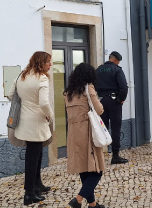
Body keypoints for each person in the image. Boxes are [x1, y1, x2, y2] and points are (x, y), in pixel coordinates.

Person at [7, 51, 53, 205]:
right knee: (33, 156)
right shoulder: (42, 78)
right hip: (37, 121)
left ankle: (37, 184)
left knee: (36, 153)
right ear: (41, 62)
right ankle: (29, 193)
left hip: (24, 121)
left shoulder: (22, 76)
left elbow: (10, 94)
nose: (50, 65)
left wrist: (25, 103)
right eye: (48, 62)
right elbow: (44, 104)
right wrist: (50, 115)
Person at [64, 62, 107, 208]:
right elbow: (99, 110)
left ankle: (93, 204)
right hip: (88, 132)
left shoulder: (68, 91)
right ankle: (78, 199)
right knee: (97, 170)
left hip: (73, 133)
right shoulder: (88, 88)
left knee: (84, 168)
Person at [95, 51, 129, 164]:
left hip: (100, 100)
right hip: (114, 101)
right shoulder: (117, 70)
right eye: (118, 61)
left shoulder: (98, 70)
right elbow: (124, 86)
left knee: (101, 128)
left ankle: (97, 155)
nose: (118, 63)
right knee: (115, 128)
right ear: (115, 60)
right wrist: (121, 99)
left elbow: (93, 84)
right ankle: (115, 156)